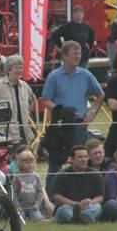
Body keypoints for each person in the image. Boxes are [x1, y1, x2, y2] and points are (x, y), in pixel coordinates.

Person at [41, 40, 104, 195]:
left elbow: (100, 94)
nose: (77, 56)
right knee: (55, 165)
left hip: (79, 126)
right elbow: (45, 99)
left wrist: (92, 113)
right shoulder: (54, 76)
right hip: (60, 126)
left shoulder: (86, 74)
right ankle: (51, 201)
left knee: (82, 162)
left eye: (79, 53)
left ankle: (81, 196)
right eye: (74, 53)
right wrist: (62, 111)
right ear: (65, 56)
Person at [0, 54, 40, 145]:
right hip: (5, 135)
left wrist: (26, 111)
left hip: (24, 133)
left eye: (21, 68)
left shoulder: (25, 86)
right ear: (9, 70)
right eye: (16, 68)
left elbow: (32, 100)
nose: (19, 70)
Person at [52, 145, 104, 224]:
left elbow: (100, 196)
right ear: (72, 159)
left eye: (85, 157)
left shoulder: (95, 174)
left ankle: (78, 219)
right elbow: (57, 197)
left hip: (88, 207)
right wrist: (76, 204)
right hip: (69, 207)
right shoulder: (62, 174)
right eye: (80, 157)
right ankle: (85, 219)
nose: (83, 159)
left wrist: (90, 202)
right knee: (63, 210)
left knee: (98, 207)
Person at [13, 149, 45, 221]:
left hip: (32, 206)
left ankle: (30, 216)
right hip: (21, 207)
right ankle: (25, 217)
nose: (30, 164)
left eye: (31, 162)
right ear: (20, 163)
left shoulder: (36, 177)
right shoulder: (17, 177)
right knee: (19, 220)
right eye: (26, 162)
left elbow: (40, 192)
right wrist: (17, 206)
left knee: (38, 218)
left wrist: (37, 204)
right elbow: (13, 193)